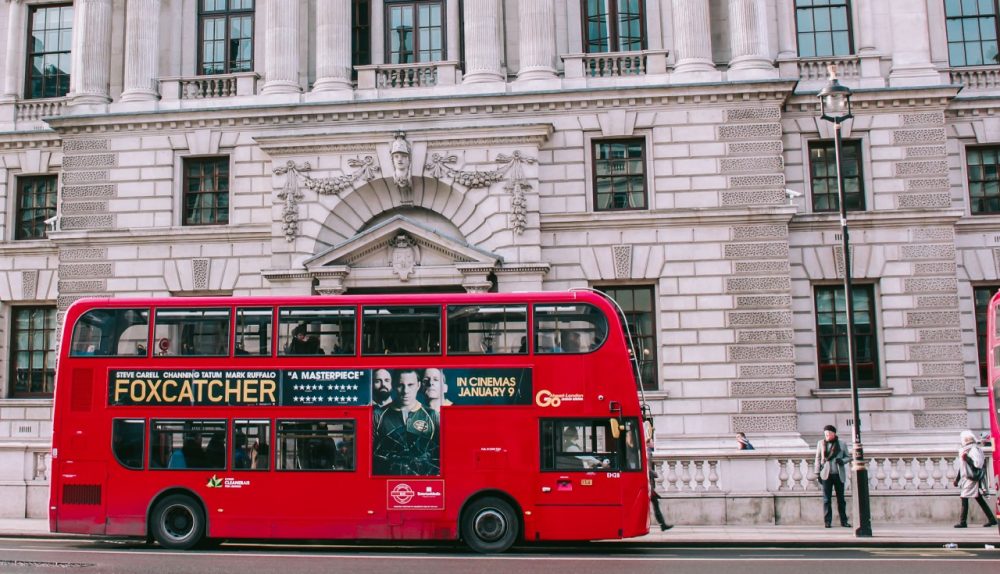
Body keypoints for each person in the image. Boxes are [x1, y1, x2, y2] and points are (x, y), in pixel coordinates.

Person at [372, 370, 440, 475]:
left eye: (410, 385)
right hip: (387, 481)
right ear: (394, 385)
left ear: (419, 385)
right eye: (400, 385)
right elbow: (367, 455)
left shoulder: (432, 415)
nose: (405, 391)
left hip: (423, 482)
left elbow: (443, 454)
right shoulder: (378, 415)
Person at [953, 430, 998, 528]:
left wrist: (967, 459)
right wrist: (957, 479)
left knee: (964, 497)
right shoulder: (966, 450)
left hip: (972, 478)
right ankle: (992, 519)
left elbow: (977, 465)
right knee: (978, 498)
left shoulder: (974, 449)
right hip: (967, 478)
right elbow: (962, 467)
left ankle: (963, 522)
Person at [814, 425, 850, 528]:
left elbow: (848, 457)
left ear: (834, 434)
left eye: (828, 434)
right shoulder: (820, 443)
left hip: (838, 474)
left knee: (841, 499)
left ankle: (844, 521)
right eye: (825, 434)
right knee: (826, 499)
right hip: (826, 475)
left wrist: (842, 461)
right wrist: (817, 473)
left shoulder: (842, 444)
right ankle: (827, 522)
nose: (827, 436)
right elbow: (817, 458)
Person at [647, 435, 673, 531]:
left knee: (655, 502)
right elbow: (647, 468)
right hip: (648, 483)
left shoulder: (648, 452)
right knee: (654, 503)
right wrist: (655, 474)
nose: (653, 443)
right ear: (647, 443)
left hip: (649, 483)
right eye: (651, 441)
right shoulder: (648, 452)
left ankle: (663, 524)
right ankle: (663, 524)